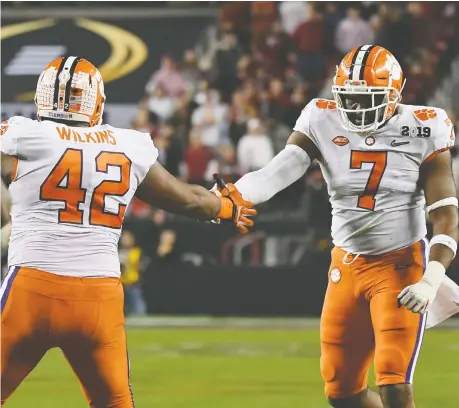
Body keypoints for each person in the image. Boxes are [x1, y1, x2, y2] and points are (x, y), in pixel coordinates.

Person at [0, 56, 256, 407]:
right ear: (96, 100)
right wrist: (226, 206)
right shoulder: (127, 144)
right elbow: (190, 201)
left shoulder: (23, 133)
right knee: (115, 402)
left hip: (32, 288)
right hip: (98, 297)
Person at [221, 45, 459, 407]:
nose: (357, 109)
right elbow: (280, 170)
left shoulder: (424, 126)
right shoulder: (321, 117)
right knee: (341, 393)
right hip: (345, 266)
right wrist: (234, 195)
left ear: (395, 95)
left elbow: (445, 214)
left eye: (369, 100)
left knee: (394, 382)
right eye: (349, 98)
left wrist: (431, 277)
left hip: (400, 264)